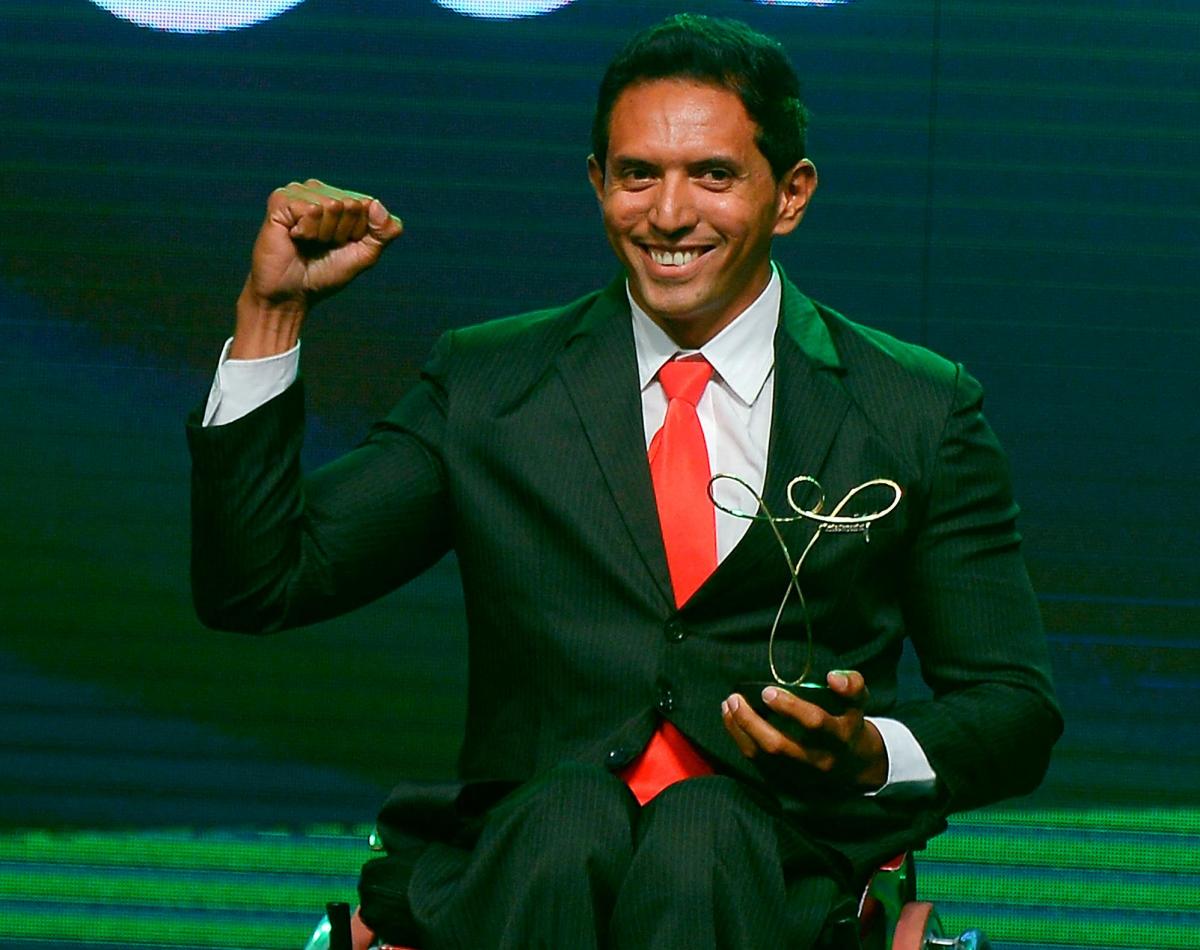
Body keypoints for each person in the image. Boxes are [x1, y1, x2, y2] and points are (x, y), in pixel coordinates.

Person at [188, 14, 1061, 949]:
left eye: (713, 176)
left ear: (791, 194)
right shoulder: (490, 385)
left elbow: (1013, 711)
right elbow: (259, 581)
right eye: (638, 174)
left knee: (705, 833)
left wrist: (867, 754)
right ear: (598, 183)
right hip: (534, 861)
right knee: (570, 820)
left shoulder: (915, 407)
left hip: (781, 865)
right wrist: (274, 310)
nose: (669, 213)